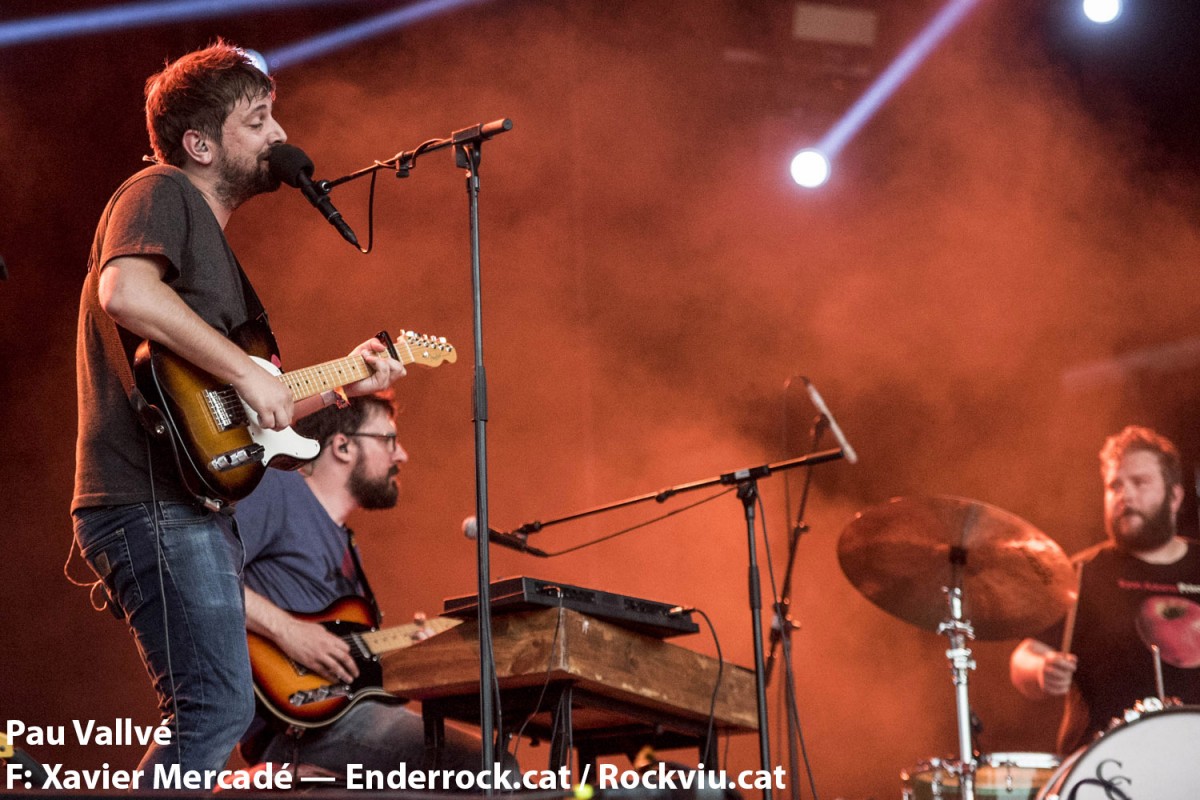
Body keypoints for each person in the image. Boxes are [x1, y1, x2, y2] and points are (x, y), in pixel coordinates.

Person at [71, 41, 406, 778]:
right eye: (256, 122)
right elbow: (124, 291)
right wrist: (245, 372)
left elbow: (240, 413)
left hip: (186, 503)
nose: (278, 135)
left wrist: (344, 383)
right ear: (200, 144)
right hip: (148, 500)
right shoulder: (160, 190)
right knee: (214, 709)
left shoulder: (207, 247)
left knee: (212, 709)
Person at [235, 394, 490, 775]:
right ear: (342, 446)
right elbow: (204, 583)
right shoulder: (279, 489)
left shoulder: (345, 543)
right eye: (389, 439)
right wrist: (289, 631)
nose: (401, 454)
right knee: (492, 766)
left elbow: (347, 650)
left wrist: (412, 651)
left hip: (340, 711)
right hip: (296, 727)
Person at [1010, 425, 1200, 754]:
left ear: (1175, 496)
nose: (1125, 495)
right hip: (1102, 764)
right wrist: (1042, 669)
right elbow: (1024, 658)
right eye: (1115, 485)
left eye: (1139, 482)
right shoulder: (1082, 572)